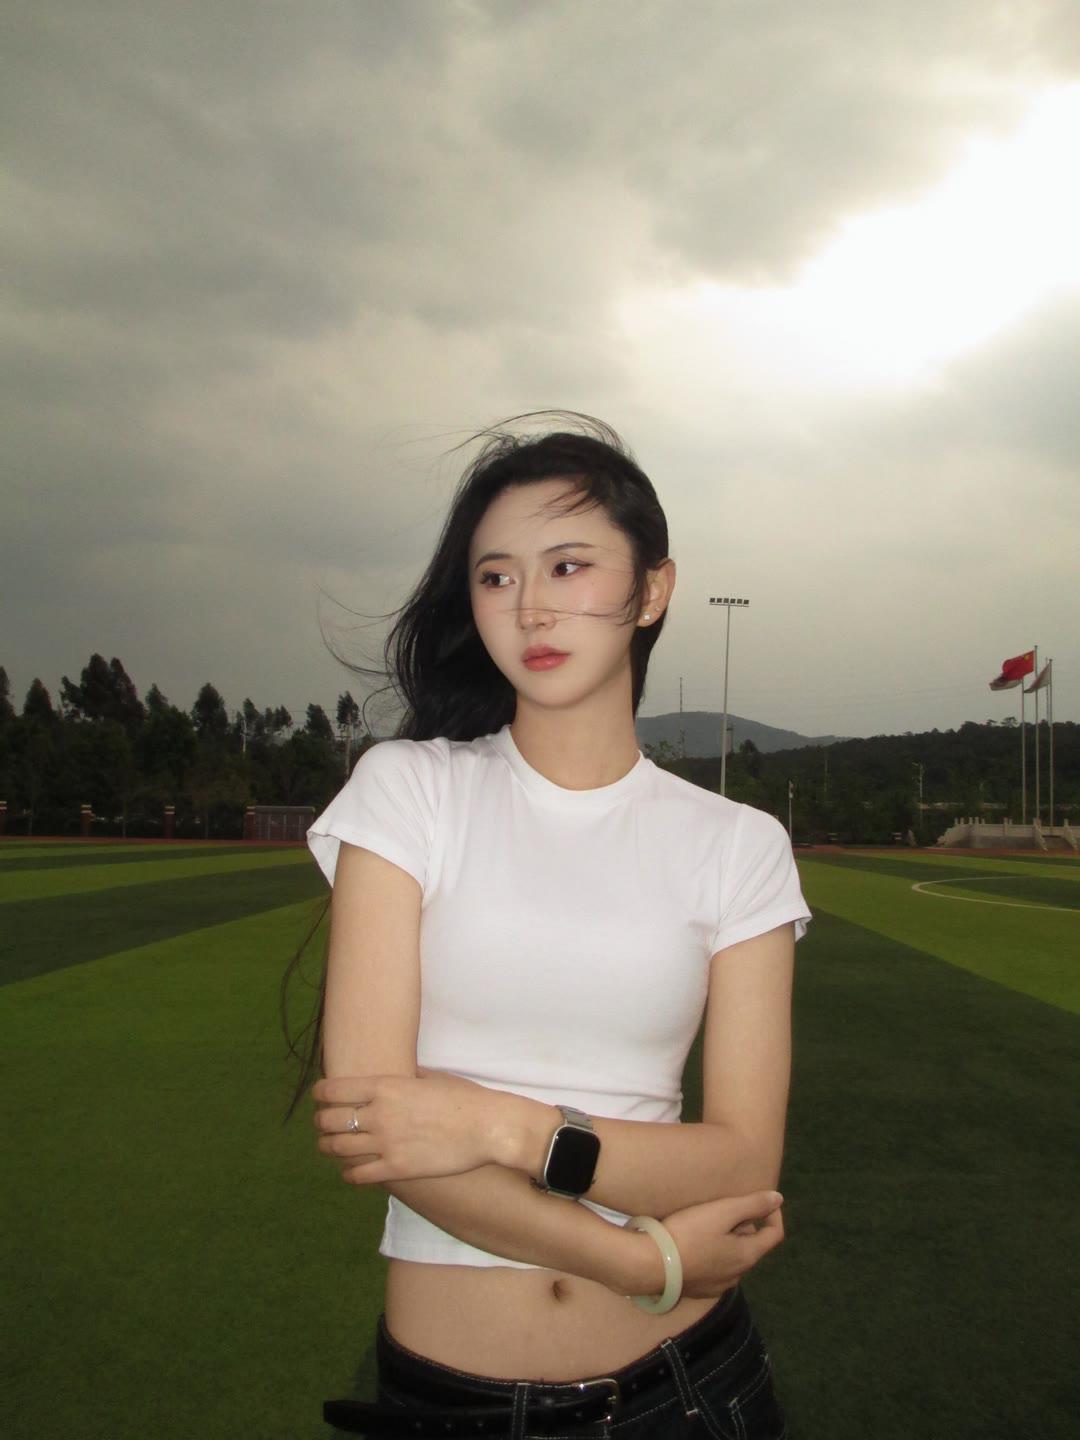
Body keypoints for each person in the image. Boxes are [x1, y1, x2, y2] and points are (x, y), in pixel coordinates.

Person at [298, 412, 811, 1438]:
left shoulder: (739, 845)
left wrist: (496, 1125)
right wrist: (637, 1257)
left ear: (652, 590)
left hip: (690, 1391)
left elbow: (742, 1161)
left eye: (569, 566)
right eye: (496, 577)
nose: (529, 605)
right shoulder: (409, 792)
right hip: (459, 1402)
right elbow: (369, 1123)